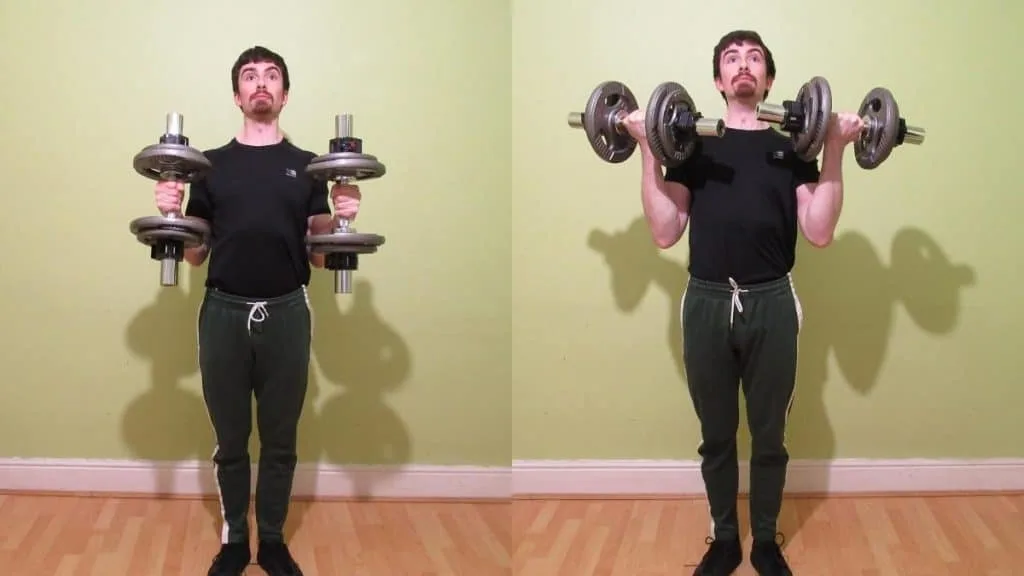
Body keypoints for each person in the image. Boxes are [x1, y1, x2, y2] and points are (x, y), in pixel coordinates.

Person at [622, 31, 863, 576]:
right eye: (731, 59)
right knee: (716, 433)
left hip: (772, 301)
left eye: (754, 57)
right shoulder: (690, 146)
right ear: (717, 81)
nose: (743, 65)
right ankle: (725, 539)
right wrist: (645, 146)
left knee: (770, 433)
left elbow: (819, 231)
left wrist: (834, 148)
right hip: (706, 301)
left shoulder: (791, 147)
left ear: (769, 79)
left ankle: (766, 545)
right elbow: (665, 231)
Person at [153, 45, 360, 576]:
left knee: (280, 437)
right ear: (236, 95)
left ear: (285, 95)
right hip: (222, 312)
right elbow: (196, 255)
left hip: (288, 312)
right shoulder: (209, 168)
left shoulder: (308, 167)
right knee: (229, 440)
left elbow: (319, 251)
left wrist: (343, 214)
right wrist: (171, 213)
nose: (260, 84)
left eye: (271, 76)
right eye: (250, 76)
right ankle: (233, 541)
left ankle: (271, 540)